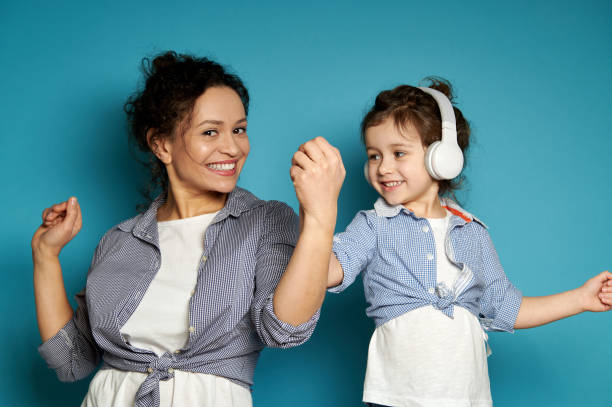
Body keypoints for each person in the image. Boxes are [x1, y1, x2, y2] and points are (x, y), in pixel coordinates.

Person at [31, 51, 345, 407]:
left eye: (239, 129)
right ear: (162, 144)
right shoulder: (119, 241)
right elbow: (71, 362)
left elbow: (285, 328)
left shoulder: (266, 221)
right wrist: (45, 256)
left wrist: (320, 215)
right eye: (210, 131)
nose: (232, 147)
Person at [322, 78, 612, 407]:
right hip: (397, 397)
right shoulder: (372, 225)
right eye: (374, 156)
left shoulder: (472, 232)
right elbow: (331, 270)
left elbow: (506, 308)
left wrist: (581, 298)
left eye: (398, 153)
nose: (383, 167)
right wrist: (317, 217)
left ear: (442, 157)